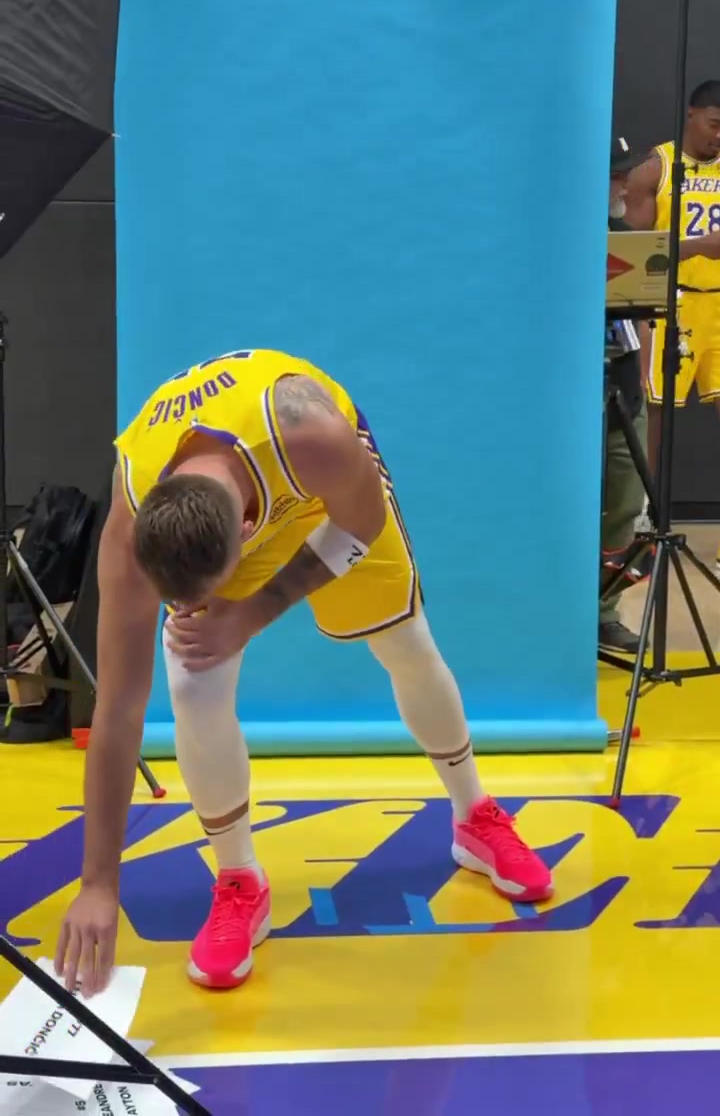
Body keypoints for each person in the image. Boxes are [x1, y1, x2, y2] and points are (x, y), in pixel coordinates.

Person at [55, 349, 553, 996]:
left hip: (327, 500)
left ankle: (474, 815)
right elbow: (119, 709)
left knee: (406, 642)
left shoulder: (310, 432)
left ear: (248, 531)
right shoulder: (129, 525)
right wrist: (98, 884)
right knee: (193, 683)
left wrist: (252, 612)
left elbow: (362, 522)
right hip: (243, 498)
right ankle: (240, 879)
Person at [625, 80, 720, 572]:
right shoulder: (656, 169)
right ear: (691, 115)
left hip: (718, 305)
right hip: (673, 304)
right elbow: (632, 254)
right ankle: (640, 526)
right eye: (715, 125)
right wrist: (698, 248)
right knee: (653, 420)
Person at [599, 137, 653, 655]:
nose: (624, 185)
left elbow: (644, 316)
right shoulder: (552, 238)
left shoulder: (627, 239)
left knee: (624, 506)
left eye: (626, 174)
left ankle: (603, 612)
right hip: (568, 402)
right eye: (616, 175)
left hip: (624, 392)